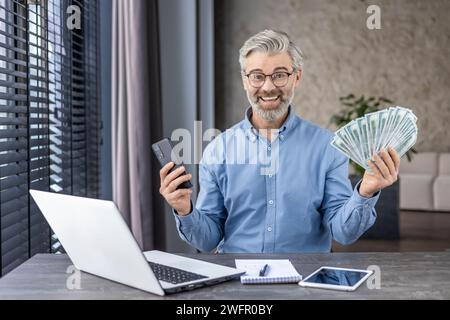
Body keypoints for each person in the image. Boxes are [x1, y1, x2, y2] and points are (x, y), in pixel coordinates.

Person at [159, 30, 400, 253]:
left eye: (280, 75)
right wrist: (185, 210)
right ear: (244, 80)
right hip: (237, 283)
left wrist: (366, 192)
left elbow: (343, 233)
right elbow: (207, 240)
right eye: (257, 76)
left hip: (306, 283)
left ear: (297, 77)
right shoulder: (217, 150)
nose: (268, 87)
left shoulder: (327, 147)